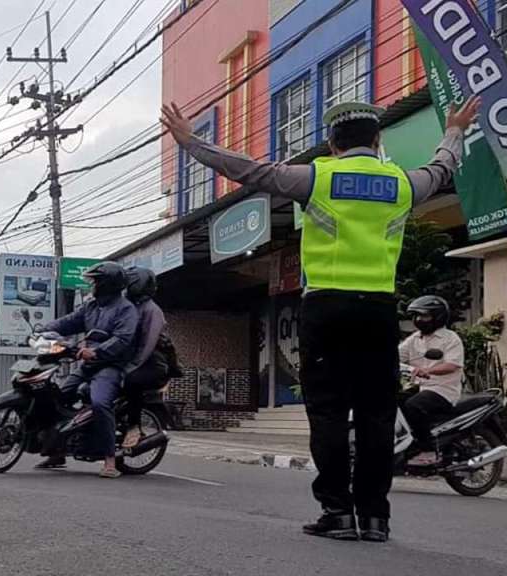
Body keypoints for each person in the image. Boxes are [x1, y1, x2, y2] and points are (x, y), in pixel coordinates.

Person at [161, 96, 480, 542]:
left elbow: (248, 170)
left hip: (326, 310)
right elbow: (442, 168)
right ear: (378, 140)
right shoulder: (403, 184)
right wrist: (454, 129)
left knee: (328, 414)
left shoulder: (317, 178)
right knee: (376, 416)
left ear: (332, 144)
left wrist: (191, 143)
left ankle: (337, 513)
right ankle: (375, 518)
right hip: (378, 311)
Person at [38, 261, 138, 478]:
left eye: (95, 281)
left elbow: (123, 339)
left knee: (100, 402)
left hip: (110, 367)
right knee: (59, 396)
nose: (92, 284)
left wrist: (97, 352)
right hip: (88, 365)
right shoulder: (92, 307)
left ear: (107, 284)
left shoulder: (126, 309)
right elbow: (68, 322)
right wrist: (44, 329)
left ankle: (110, 459)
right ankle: (58, 450)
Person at [398, 296, 464, 445]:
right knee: (391, 399)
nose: (419, 319)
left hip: (443, 391)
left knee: (413, 406)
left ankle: (427, 449)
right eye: (417, 315)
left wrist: (427, 370)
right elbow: (395, 355)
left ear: (437, 316)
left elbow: (452, 365)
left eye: (424, 316)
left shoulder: (450, 338)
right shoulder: (415, 338)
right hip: (422, 388)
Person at [121, 266, 169, 449]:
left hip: (152, 364)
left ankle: (134, 426)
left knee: (130, 380)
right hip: (135, 361)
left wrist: (132, 365)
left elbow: (148, 344)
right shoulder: (132, 306)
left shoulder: (151, 310)